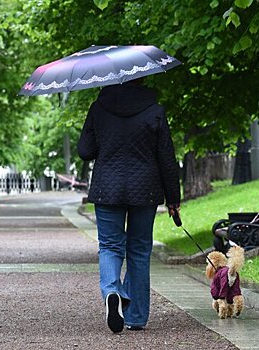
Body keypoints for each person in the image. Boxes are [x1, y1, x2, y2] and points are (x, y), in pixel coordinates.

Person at [77, 79, 181, 333]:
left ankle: (112, 290)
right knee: (139, 250)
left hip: (107, 188)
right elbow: (166, 157)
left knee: (111, 246)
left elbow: (84, 151)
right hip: (145, 189)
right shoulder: (155, 110)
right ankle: (135, 316)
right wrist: (173, 199)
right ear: (144, 78)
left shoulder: (98, 108)